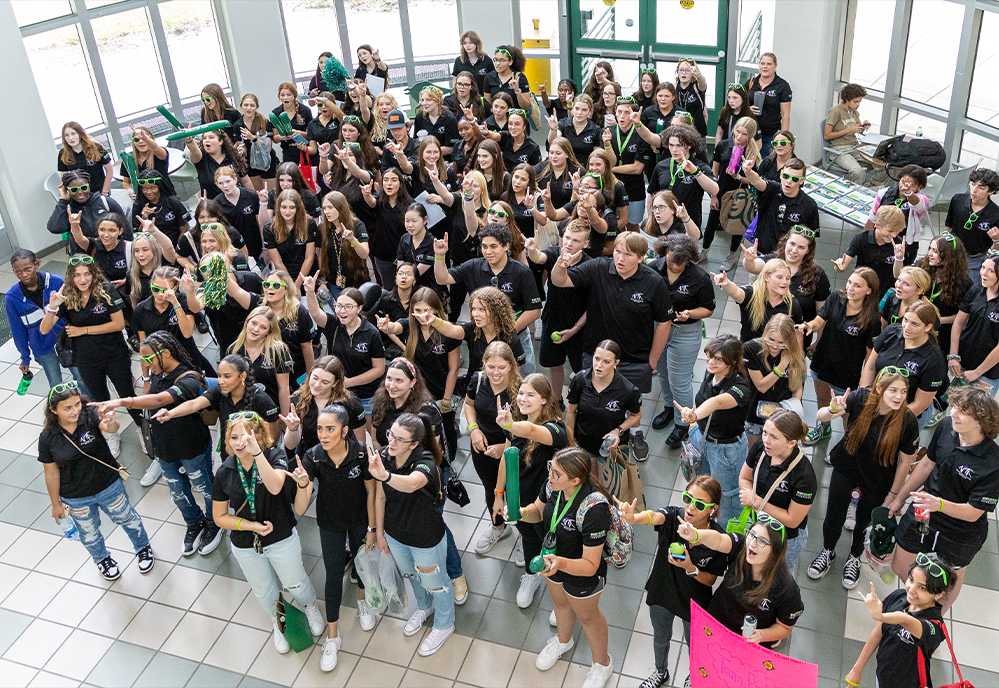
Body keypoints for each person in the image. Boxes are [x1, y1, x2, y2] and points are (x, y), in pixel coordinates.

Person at [211, 412, 326, 655]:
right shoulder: (225, 471)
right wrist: (251, 526)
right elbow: (219, 517)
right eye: (233, 437)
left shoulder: (275, 456)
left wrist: (256, 453)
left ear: (258, 436)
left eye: (246, 437)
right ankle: (279, 620)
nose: (239, 443)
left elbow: (275, 486)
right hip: (246, 543)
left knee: (295, 582)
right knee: (264, 590)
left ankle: (309, 605)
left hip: (280, 536)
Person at [97, 332, 221, 556]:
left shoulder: (189, 377)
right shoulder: (158, 373)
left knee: (204, 486)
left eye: (148, 359)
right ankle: (194, 522)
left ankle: (214, 522)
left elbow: (159, 399)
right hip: (165, 449)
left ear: (165, 354)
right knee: (178, 492)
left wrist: (123, 401)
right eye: (142, 360)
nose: (145, 365)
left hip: (192, 446)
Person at [889, 385, 999, 611]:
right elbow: (927, 464)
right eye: (954, 406)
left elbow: (974, 512)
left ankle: (931, 617)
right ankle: (917, 600)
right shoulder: (946, 427)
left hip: (961, 532)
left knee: (945, 589)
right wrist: (899, 498)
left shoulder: (992, 463)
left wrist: (938, 504)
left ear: (981, 421)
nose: (953, 413)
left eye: (962, 412)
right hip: (925, 512)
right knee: (900, 565)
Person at [287, 402, 379, 671]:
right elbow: (300, 508)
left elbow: (372, 493)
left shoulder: (361, 454)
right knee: (333, 574)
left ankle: (362, 600)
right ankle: (333, 636)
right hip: (330, 522)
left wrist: (372, 529)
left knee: (362, 564)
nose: (323, 435)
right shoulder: (313, 457)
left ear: (345, 430)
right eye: (319, 429)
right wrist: (302, 484)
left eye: (330, 429)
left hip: (359, 519)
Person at [807, 370, 919, 589]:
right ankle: (828, 551)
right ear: (879, 388)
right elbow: (821, 417)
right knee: (833, 516)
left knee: (864, 522)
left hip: (878, 479)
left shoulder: (907, 420)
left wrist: (893, 496)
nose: (899, 397)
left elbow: (905, 462)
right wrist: (833, 409)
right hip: (847, 467)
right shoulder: (860, 398)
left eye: (903, 392)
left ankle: (854, 557)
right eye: (893, 390)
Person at [517, 447, 614, 687]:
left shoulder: (594, 508)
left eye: (556, 473)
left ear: (575, 480)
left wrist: (560, 563)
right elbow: (538, 511)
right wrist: (520, 513)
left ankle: (602, 664)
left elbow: (590, 564)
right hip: (553, 561)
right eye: (551, 468)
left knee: (588, 616)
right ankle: (563, 641)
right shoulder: (552, 486)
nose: (550, 475)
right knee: (560, 603)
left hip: (581, 571)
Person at [616, 476, 726, 688]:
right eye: (688, 498)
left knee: (695, 644)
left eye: (699, 504)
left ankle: (695, 676)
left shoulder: (717, 538)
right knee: (660, 636)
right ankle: (660, 672)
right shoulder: (674, 516)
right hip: (662, 590)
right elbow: (655, 517)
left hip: (694, 601)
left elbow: (710, 580)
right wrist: (634, 518)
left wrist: (690, 568)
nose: (690, 507)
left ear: (712, 509)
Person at [40, 382, 154, 580]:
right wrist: (55, 503)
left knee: (127, 518)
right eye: (67, 408)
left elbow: (109, 428)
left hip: (108, 485)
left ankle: (143, 547)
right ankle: (102, 559)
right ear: (53, 410)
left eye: (77, 404)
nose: (75, 411)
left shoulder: (88, 414)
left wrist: (112, 422)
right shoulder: (48, 438)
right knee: (89, 534)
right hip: (76, 497)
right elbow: (51, 472)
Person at [369, 413, 456, 657]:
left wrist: (384, 476)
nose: (391, 442)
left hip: (425, 537)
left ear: (414, 443)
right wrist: (379, 532)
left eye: (400, 439)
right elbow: (380, 497)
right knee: (412, 575)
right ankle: (425, 606)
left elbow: (412, 483)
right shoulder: (385, 456)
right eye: (391, 435)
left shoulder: (425, 460)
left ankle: (445, 623)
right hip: (396, 534)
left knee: (436, 583)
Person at [40, 255, 142, 458]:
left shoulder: (107, 290)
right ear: (71, 277)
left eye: (87, 274)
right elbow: (44, 330)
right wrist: (52, 307)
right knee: (100, 400)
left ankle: (142, 428)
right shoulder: (67, 296)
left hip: (115, 355)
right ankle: (111, 433)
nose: (82, 279)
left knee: (126, 394)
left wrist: (83, 330)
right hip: (86, 360)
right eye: (77, 275)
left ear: (94, 274)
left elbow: (118, 324)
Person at [552, 232, 673, 397]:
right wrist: (561, 266)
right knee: (592, 403)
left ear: (640, 258)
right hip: (596, 357)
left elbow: (664, 322)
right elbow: (559, 281)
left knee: (630, 409)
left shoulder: (654, 282)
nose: (620, 259)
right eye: (617, 251)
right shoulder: (598, 267)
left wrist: (652, 361)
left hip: (634, 361)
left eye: (628, 254)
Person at [494, 374, 570, 607]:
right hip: (521, 500)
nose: (523, 399)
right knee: (528, 537)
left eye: (530, 395)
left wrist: (510, 426)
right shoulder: (516, 423)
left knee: (554, 545)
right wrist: (499, 495)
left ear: (545, 399)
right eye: (520, 393)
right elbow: (506, 458)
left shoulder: (556, 429)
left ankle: (563, 594)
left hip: (550, 506)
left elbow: (533, 432)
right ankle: (531, 575)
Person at [676, 512, 803, 648]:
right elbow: (719, 540)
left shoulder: (787, 589)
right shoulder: (742, 547)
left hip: (746, 645)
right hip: (715, 626)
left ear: (775, 550)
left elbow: (785, 627)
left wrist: (761, 635)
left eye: (762, 541)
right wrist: (696, 535)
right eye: (752, 534)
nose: (752, 544)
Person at [433, 224, 541, 373]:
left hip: (517, 336)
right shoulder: (473, 266)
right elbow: (442, 278)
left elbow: (534, 311)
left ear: (506, 246)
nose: (488, 251)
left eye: (493, 246)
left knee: (522, 380)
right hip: (481, 337)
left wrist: (506, 332)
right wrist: (439, 256)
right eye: (484, 246)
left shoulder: (522, 272)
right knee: (484, 379)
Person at [847, 554, 955, 688]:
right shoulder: (898, 596)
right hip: (882, 678)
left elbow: (906, 620)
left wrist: (881, 616)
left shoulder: (934, 628)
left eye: (922, 588)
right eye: (911, 579)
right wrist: (856, 670)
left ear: (939, 594)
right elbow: (878, 633)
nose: (911, 590)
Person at [801, 267, 881, 446]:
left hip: (846, 373)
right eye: (850, 282)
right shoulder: (836, 297)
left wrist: (865, 385)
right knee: (823, 399)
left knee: (846, 412)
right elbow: (821, 319)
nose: (850, 288)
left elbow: (870, 356)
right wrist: (811, 326)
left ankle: (847, 444)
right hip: (823, 362)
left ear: (869, 291)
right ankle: (824, 429)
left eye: (857, 285)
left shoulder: (872, 319)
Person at [675, 335, 753, 521]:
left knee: (727, 496)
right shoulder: (710, 373)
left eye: (718, 359)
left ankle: (726, 532)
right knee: (702, 485)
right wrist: (694, 426)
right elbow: (704, 399)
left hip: (726, 450)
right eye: (709, 356)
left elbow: (716, 402)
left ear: (732, 361)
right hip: (701, 437)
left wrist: (694, 416)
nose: (710, 362)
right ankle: (704, 520)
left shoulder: (741, 387)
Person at [649, 235, 715, 448]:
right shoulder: (654, 268)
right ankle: (670, 407)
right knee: (663, 372)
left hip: (684, 333)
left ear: (689, 258)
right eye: (670, 260)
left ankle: (683, 423)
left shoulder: (700, 278)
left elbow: (708, 309)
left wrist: (690, 313)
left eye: (680, 262)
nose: (675, 266)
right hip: (659, 329)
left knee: (680, 380)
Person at [378, 288, 460, 458]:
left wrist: (446, 400)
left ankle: (448, 465)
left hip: (441, 392)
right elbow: (395, 327)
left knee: (446, 431)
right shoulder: (410, 326)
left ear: (435, 309)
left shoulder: (448, 332)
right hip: (416, 393)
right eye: (417, 310)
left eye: (426, 310)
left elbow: (453, 369)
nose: (422, 315)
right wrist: (386, 326)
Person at [463, 340, 520, 553]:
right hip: (483, 449)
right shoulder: (478, 380)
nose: (496, 373)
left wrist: (504, 448)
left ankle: (525, 537)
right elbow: (469, 405)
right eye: (491, 367)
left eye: (501, 367)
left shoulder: (520, 390)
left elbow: (526, 427)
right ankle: (498, 527)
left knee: (516, 492)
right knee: (491, 489)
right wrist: (474, 430)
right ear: (484, 364)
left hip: (513, 450)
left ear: (511, 366)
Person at [739, 410, 815, 569]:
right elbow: (745, 477)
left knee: (778, 574)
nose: (766, 440)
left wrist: (757, 502)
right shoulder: (761, 448)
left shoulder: (804, 475)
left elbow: (792, 520)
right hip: (759, 524)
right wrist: (750, 494)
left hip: (785, 537)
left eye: (774, 437)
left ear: (792, 443)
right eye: (765, 432)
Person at [304, 281, 386, 428]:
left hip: (366, 395)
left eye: (348, 307)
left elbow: (379, 369)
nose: (342, 311)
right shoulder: (333, 324)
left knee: (370, 434)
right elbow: (315, 313)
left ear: (359, 308)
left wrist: (350, 382)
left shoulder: (371, 333)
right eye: (339, 306)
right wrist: (310, 292)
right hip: (337, 393)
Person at [525, 221, 590, 403]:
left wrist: (575, 329)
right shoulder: (555, 253)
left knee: (582, 372)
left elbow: (592, 306)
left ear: (586, 243)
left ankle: (583, 404)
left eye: (576, 240)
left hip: (579, 330)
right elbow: (540, 258)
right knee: (554, 365)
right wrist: (532, 251)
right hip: (552, 321)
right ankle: (555, 401)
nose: (569, 243)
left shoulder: (590, 266)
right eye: (567, 237)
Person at [6, 249, 87, 393]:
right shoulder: (12, 298)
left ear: (36, 265)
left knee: (81, 377)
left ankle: (90, 403)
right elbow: (18, 330)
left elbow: (72, 310)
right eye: (18, 272)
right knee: (56, 384)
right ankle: (61, 407)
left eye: (28, 269)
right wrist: (25, 357)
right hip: (42, 347)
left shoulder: (55, 281)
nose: (23, 275)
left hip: (67, 340)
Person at [861, 302, 947, 430]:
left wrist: (886, 420)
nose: (906, 327)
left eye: (915, 324)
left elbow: (919, 404)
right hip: (875, 405)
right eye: (905, 320)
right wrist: (864, 400)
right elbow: (870, 367)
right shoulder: (890, 332)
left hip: (904, 416)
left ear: (928, 327)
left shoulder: (934, 360)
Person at [155, 353, 280, 441]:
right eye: (219, 376)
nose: (220, 381)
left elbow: (273, 438)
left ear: (242, 376)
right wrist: (171, 413)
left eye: (227, 376)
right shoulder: (218, 392)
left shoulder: (263, 400)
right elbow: (194, 404)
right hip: (229, 455)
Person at [743, 225, 830, 348]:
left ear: (808, 250)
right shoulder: (772, 261)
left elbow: (823, 313)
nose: (794, 250)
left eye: (801, 247)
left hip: (794, 342)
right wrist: (749, 259)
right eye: (792, 244)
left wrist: (818, 342)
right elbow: (752, 267)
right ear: (785, 242)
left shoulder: (817, 275)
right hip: (760, 338)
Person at [566, 339, 643, 471]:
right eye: (596, 359)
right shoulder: (580, 380)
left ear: (616, 363)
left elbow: (637, 415)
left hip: (612, 448)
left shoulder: (627, 390)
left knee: (610, 482)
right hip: (583, 444)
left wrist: (618, 430)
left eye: (606, 362)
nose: (599, 365)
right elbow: (571, 411)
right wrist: (570, 441)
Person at [131, 266, 216, 381]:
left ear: (175, 288)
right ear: (150, 284)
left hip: (188, 357)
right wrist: (146, 378)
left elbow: (187, 333)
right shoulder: (141, 310)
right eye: (155, 289)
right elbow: (143, 346)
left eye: (165, 290)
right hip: (161, 362)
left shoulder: (183, 301)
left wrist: (175, 304)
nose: (160, 294)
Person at [703, 117, 762, 271]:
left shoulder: (752, 153)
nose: (739, 136)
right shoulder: (723, 145)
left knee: (737, 226)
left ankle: (731, 255)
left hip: (740, 194)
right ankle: (704, 250)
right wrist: (713, 195)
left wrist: (739, 177)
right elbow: (714, 172)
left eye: (744, 134)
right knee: (711, 222)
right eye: (738, 132)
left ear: (751, 135)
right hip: (720, 191)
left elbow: (754, 181)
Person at [742, 314, 806, 448]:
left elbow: (797, 386)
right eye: (771, 340)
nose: (775, 346)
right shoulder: (751, 349)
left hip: (783, 415)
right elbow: (761, 386)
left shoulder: (795, 354)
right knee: (754, 451)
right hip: (755, 412)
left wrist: (793, 410)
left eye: (781, 342)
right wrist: (782, 366)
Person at [644, 124, 718, 231]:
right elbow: (651, 193)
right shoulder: (661, 166)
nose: (674, 150)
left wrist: (696, 172)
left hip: (688, 225)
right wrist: (651, 218)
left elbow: (714, 190)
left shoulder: (699, 166)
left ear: (689, 145)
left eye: (679, 145)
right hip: (664, 224)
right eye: (671, 145)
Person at [741, 156, 819, 255]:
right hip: (762, 252)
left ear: (802, 181)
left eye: (795, 179)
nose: (789, 181)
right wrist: (748, 171)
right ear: (781, 174)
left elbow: (811, 238)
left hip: (788, 256)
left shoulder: (809, 205)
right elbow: (757, 181)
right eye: (786, 176)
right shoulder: (772, 189)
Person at [290, 356, 367, 455]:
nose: (317, 385)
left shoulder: (351, 404)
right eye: (315, 378)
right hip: (310, 457)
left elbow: (360, 445)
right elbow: (290, 445)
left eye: (325, 382)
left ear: (335, 383)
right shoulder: (299, 398)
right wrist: (293, 429)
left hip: (341, 458)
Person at [714, 258, 802, 342]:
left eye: (788, 278)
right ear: (766, 277)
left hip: (778, 350)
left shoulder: (792, 304)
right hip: (749, 349)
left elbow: (797, 331)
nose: (785, 282)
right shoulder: (752, 295)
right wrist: (727, 284)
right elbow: (736, 292)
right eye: (780, 277)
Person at [949, 251, 999, 398]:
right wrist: (953, 356)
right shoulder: (976, 290)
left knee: (976, 411)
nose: (983, 273)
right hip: (964, 362)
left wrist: (977, 372)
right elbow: (958, 322)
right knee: (956, 405)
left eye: (991, 271)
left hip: (988, 371)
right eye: (983, 268)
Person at [228, 306, 293, 416]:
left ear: (269, 331)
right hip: (243, 413)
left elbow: (283, 388)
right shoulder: (234, 349)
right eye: (253, 323)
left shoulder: (278, 351)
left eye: (263, 327)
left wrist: (285, 418)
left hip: (271, 412)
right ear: (247, 323)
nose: (256, 329)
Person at [834, 205, 906, 300]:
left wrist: (899, 258)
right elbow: (843, 265)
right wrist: (839, 266)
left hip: (884, 294)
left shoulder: (899, 245)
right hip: (860, 289)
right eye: (890, 231)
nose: (893, 235)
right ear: (877, 225)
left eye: (897, 232)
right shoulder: (861, 238)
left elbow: (898, 275)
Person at [916, 233, 971, 358]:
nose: (929, 254)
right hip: (918, 326)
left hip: (943, 334)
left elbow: (964, 315)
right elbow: (898, 275)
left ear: (948, 256)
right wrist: (899, 258)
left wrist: (938, 320)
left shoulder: (964, 283)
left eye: (935, 251)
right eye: (930, 248)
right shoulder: (922, 267)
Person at [47, 171, 128, 254]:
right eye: (74, 190)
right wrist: (63, 201)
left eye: (84, 188)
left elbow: (125, 228)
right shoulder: (67, 209)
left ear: (89, 186)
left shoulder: (105, 202)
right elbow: (54, 228)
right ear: (67, 190)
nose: (80, 192)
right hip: (83, 257)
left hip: (111, 253)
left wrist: (127, 251)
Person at [256, 270, 316, 384]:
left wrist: (310, 376)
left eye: (276, 285)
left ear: (286, 288)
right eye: (266, 284)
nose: (270, 288)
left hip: (294, 371)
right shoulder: (259, 308)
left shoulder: (300, 312)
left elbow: (307, 347)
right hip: (265, 371)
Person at [866, 165, 930, 266]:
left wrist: (909, 194)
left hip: (905, 245)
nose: (905, 186)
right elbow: (872, 218)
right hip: (881, 240)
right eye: (903, 181)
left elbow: (919, 205)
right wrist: (865, 241)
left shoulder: (922, 199)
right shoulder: (884, 193)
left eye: (912, 185)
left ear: (920, 187)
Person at [945, 168, 999, 283]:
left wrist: (996, 240)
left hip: (975, 259)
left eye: (981, 188)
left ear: (991, 191)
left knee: (970, 289)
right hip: (953, 254)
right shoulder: (957, 200)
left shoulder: (996, 214)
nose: (974, 190)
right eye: (973, 184)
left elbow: (995, 251)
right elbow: (948, 227)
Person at [606, 98, 652, 233]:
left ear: (634, 115)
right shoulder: (608, 132)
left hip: (634, 189)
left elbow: (637, 168)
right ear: (615, 112)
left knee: (632, 227)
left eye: (627, 112)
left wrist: (611, 169)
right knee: (615, 226)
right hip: (612, 188)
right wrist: (607, 145)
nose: (622, 116)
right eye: (619, 112)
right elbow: (609, 161)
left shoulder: (642, 134)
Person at [362, 166, 412, 286]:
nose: (389, 183)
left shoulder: (410, 204)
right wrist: (367, 195)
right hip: (383, 256)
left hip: (405, 256)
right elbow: (372, 202)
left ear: (400, 183)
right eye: (386, 180)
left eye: (393, 180)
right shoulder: (380, 201)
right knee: (389, 288)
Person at [263, 190, 318, 288]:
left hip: (307, 274)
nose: (287, 212)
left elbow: (309, 258)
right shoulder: (269, 228)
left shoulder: (309, 224)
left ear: (298, 208)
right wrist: (291, 286)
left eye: (292, 207)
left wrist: (298, 284)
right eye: (284, 207)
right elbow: (278, 262)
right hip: (284, 276)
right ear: (278, 208)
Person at [744, 53, 793, 156]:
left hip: (769, 134)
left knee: (766, 162)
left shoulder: (782, 86)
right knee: (747, 161)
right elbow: (739, 102)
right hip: (750, 132)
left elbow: (785, 114)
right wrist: (747, 109)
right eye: (762, 63)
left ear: (775, 66)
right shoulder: (752, 82)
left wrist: (783, 138)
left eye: (769, 64)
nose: (765, 67)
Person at [823, 83, 871, 185]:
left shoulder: (854, 111)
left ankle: (874, 185)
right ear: (847, 99)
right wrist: (848, 130)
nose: (858, 104)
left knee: (881, 163)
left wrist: (863, 127)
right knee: (858, 172)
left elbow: (858, 129)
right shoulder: (836, 111)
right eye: (855, 101)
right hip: (840, 149)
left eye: (859, 101)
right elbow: (826, 135)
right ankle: (857, 189)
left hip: (855, 147)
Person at [131, 169, 192, 247]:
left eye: (152, 188)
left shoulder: (172, 202)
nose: (148, 192)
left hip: (173, 245)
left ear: (159, 186)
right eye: (145, 189)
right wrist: (144, 219)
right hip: (151, 247)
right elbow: (138, 235)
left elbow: (184, 229)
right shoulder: (139, 205)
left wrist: (177, 249)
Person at [183, 129, 250, 199]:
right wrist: (189, 140)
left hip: (235, 201)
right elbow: (195, 152)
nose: (207, 140)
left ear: (221, 141)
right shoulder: (202, 159)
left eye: (211, 137)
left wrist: (253, 200)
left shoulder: (233, 157)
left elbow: (246, 181)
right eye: (204, 138)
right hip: (212, 204)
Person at [58, 122, 113, 195]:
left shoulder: (97, 148)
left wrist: (104, 192)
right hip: (79, 195)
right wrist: (64, 196)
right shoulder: (63, 153)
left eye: (73, 134)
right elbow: (63, 177)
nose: (70, 138)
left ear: (80, 134)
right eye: (66, 135)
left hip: (98, 192)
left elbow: (109, 170)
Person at [238, 93, 279, 192]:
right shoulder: (238, 124)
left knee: (272, 193)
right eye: (246, 105)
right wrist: (240, 150)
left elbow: (268, 146)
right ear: (241, 106)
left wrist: (253, 138)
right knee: (258, 194)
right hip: (251, 163)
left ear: (256, 107)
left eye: (252, 105)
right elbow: (239, 144)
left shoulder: (264, 122)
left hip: (267, 161)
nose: (249, 108)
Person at [122, 127, 174, 198]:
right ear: (133, 142)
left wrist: (145, 138)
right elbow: (126, 182)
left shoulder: (158, 154)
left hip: (165, 196)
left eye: (143, 138)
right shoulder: (129, 158)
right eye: (136, 139)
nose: (141, 141)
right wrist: (131, 192)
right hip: (143, 198)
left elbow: (156, 148)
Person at [269, 82, 313, 165]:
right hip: (287, 151)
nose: (285, 98)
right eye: (282, 95)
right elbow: (275, 138)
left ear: (294, 96)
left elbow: (312, 134)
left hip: (304, 149)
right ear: (279, 97)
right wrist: (280, 137)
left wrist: (299, 133)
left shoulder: (305, 110)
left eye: (288, 95)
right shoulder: (276, 113)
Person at [534, 137, 583, 212]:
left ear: (567, 154)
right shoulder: (540, 168)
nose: (554, 156)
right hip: (544, 213)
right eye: (551, 153)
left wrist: (576, 188)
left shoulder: (578, 172)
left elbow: (580, 200)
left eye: (558, 153)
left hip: (568, 214)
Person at [483, 45, 533, 114]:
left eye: (502, 60)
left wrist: (517, 91)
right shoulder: (489, 77)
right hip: (497, 116)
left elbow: (526, 107)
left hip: (515, 117)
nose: (497, 64)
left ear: (510, 62)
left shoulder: (519, 77)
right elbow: (488, 105)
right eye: (496, 60)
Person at [414, 87, 459, 157]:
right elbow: (416, 140)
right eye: (422, 100)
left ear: (438, 101)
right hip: (426, 158)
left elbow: (451, 148)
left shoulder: (449, 118)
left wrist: (431, 152)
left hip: (445, 158)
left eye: (428, 100)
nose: (424, 103)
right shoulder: (419, 117)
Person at [673, 59, 709, 141]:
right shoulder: (673, 88)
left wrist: (698, 75)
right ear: (677, 71)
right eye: (681, 70)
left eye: (688, 70)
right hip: (677, 132)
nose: (684, 73)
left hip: (697, 132)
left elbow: (703, 84)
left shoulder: (697, 87)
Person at [380, 109, 420, 174]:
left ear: (408, 127)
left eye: (399, 128)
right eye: (392, 129)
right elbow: (384, 171)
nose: (396, 132)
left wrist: (399, 154)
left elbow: (410, 169)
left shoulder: (417, 146)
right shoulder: (388, 147)